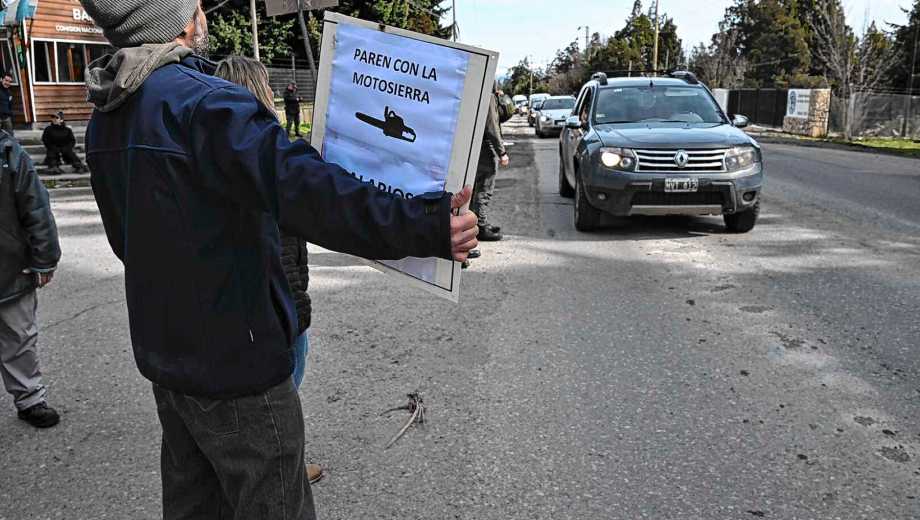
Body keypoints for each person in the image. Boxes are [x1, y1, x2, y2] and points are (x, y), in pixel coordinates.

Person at [79, 1, 478, 519]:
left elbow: (126, 243)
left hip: (170, 369)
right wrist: (424, 226)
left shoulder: (108, 116)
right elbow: (313, 195)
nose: (203, 11)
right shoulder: (206, 107)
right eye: (195, 4)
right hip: (238, 371)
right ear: (174, 20)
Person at [214, 55, 323, 486]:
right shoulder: (264, 152)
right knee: (282, 388)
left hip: (243, 300)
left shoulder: (210, 148)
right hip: (277, 300)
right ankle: (282, 469)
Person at [0, 129, 61, 428]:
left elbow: (35, 205)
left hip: (8, 267)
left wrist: (44, 258)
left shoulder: (7, 150)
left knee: (19, 337)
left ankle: (29, 398)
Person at [467, 82, 510, 262]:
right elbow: (492, 126)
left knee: (473, 189)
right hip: (486, 148)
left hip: (471, 146)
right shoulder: (488, 96)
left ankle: (477, 227)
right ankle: (480, 227)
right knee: (484, 188)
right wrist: (502, 152)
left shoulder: (471, 91)